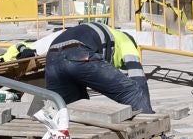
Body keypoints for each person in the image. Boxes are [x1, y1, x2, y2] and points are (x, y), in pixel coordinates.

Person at [10, 23, 154, 114]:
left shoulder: (88, 30)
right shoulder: (126, 41)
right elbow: (138, 78)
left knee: (72, 109)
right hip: (79, 55)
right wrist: (148, 110)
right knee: (132, 92)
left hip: (52, 60)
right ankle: (154, 135)